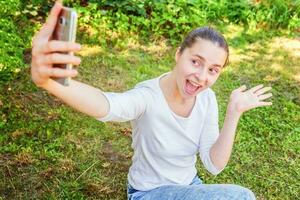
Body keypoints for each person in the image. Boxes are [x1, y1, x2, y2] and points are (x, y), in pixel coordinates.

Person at [31, 2, 272, 200]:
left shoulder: (206, 98)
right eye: (196, 62)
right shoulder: (148, 95)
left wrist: (234, 113)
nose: (201, 77)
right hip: (148, 193)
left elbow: (213, 164)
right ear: (179, 54)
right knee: (241, 197)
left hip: (188, 187)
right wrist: (50, 82)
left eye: (213, 70)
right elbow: (108, 105)